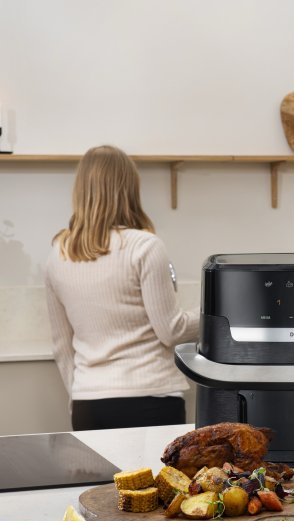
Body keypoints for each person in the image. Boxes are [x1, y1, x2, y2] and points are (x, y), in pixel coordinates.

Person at [45, 145, 199, 430]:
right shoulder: (145, 246)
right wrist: (216, 314)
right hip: (150, 399)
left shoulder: (59, 253)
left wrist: (82, 393)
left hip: (88, 404)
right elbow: (172, 330)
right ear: (129, 188)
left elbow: (61, 345)